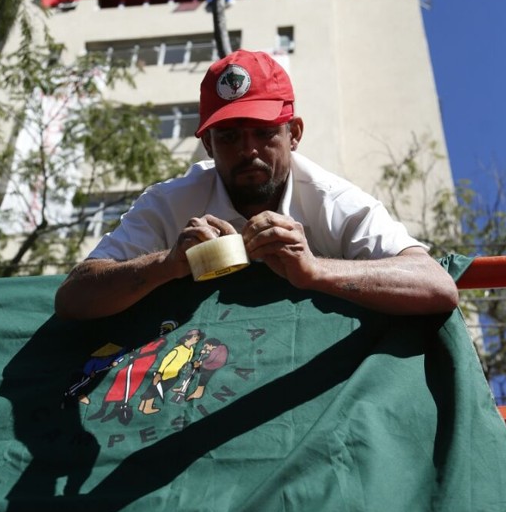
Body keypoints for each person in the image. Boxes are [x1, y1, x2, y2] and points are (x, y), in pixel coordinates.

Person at [55, 50, 459, 320]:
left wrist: (316, 271)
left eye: (264, 132)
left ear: (294, 133)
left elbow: (436, 285)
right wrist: (168, 265)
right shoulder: (170, 202)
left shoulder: (330, 198)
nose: (248, 150)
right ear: (208, 145)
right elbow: (73, 297)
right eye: (229, 136)